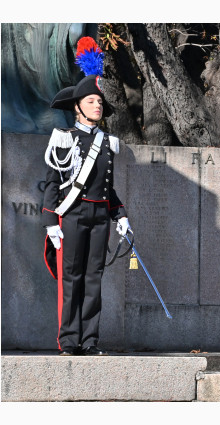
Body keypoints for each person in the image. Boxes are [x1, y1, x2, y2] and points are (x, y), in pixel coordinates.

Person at [42, 37, 129, 356]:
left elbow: (108, 187)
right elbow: (52, 182)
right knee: (71, 279)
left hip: (98, 218)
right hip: (72, 215)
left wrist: (120, 215)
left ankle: (90, 340)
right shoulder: (63, 139)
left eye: (99, 102)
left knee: (94, 280)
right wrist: (51, 221)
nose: (97, 105)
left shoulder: (108, 143)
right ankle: (68, 340)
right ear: (77, 106)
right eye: (91, 100)